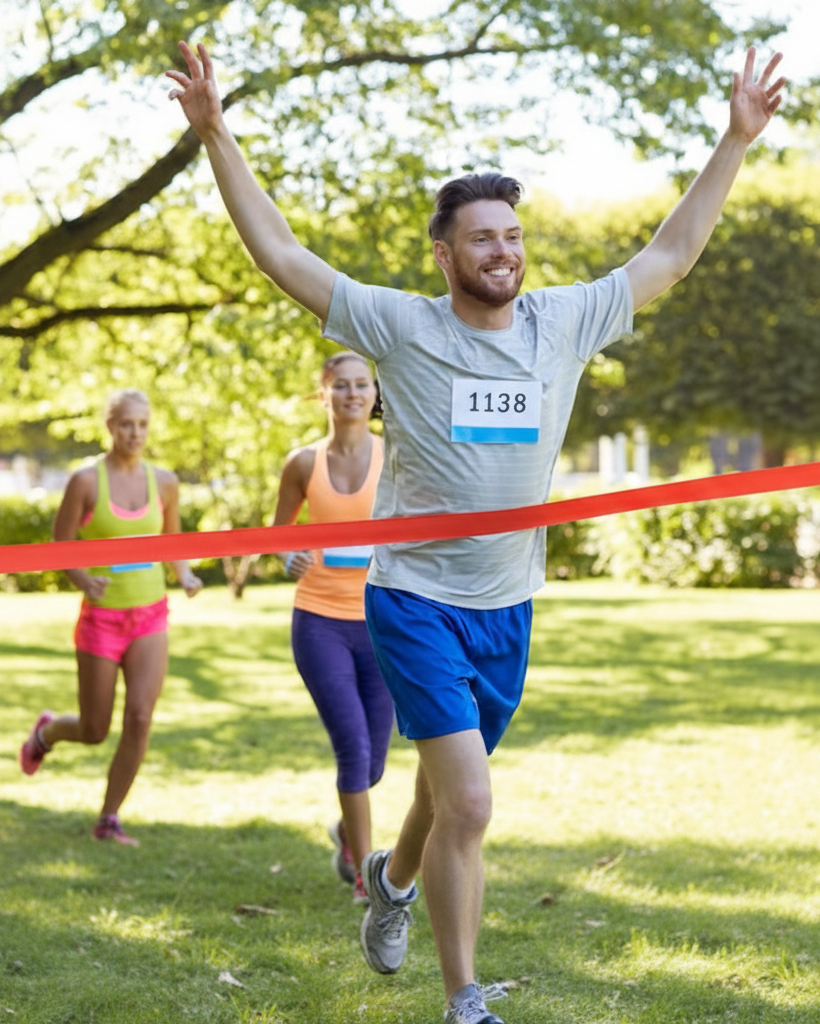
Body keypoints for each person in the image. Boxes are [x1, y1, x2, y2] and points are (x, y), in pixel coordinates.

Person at [166, 41, 785, 1023]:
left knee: (445, 793)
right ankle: (464, 1001)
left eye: (512, 235)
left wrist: (734, 139)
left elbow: (667, 254)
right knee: (474, 803)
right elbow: (283, 256)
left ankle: (390, 882)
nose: (503, 250)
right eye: (481, 238)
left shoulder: (564, 321)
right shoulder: (404, 327)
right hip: (412, 597)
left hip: (507, 605)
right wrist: (215, 133)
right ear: (445, 254)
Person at [19, 388, 202, 847]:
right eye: (126, 424)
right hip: (101, 618)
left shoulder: (164, 481)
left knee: (140, 718)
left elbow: (173, 540)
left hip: (150, 616)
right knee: (94, 729)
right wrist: (84, 581)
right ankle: (48, 731)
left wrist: (185, 575)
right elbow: (61, 544)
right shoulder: (85, 480)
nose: (135, 433)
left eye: (142, 424)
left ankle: (109, 817)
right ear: (109, 426)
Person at [273, 351, 394, 905]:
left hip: (381, 624)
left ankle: (349, 831)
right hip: (319, 622)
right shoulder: (302, 463)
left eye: (361, 385)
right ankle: (368, 878)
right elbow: (278, 537)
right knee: (351, 748)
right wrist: (289, 558)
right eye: (340, 386)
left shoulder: (396, 457)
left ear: (374, 393)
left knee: (374, 760)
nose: (352, 394)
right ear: (323, 395)